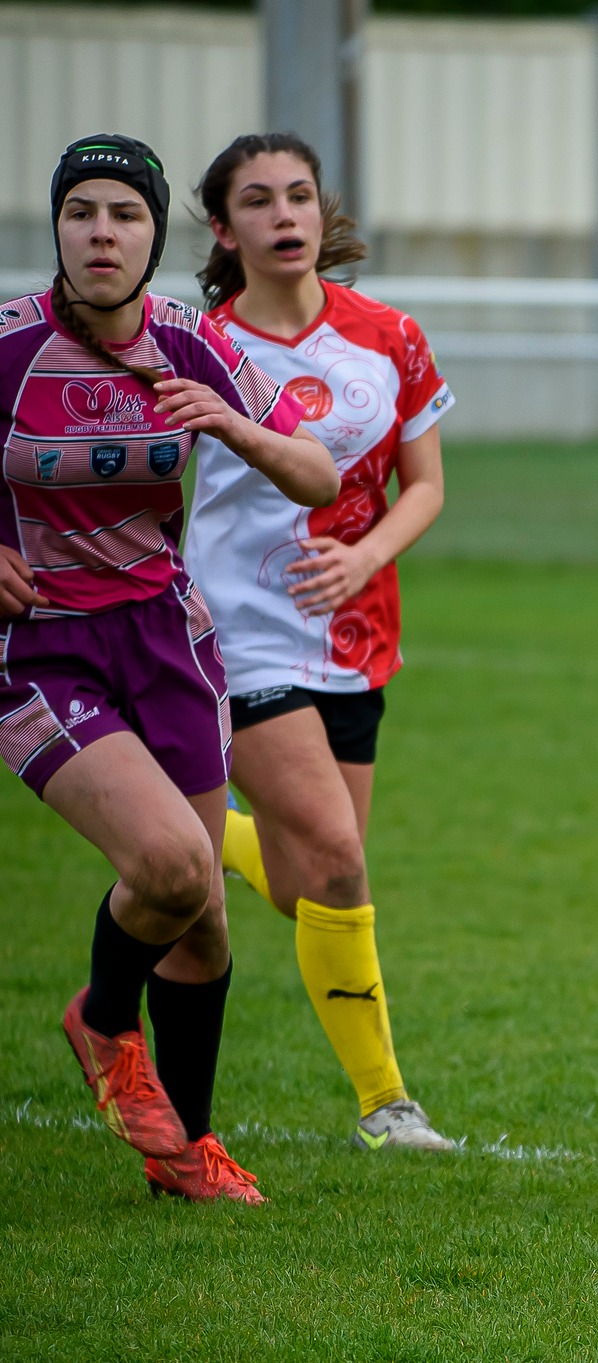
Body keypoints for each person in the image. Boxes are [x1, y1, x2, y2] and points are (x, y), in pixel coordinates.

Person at [1, 135, 337, 1202]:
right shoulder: (9, 347)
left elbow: (319, 473)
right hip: (41, 645)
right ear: (56, 226)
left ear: (158, 236)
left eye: (126, 215)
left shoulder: (192, 344)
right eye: (83, 212)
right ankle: (102, 1020)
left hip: (165, 639)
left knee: (202, 921)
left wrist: (233, 424)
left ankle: (184, 1152)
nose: (103, 233)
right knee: (173, 865)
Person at [182, 133, 458, 1153]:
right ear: (224, 229)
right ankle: (387, 1104)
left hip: (353, 632)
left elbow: (424, 485)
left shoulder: (388, 335)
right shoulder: (197, 346)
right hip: (238, 634)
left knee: (307, 884)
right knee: (340, 857)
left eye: (299, 195)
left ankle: (186, 836)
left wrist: (363, 557)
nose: (285, 216)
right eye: (258, 201)